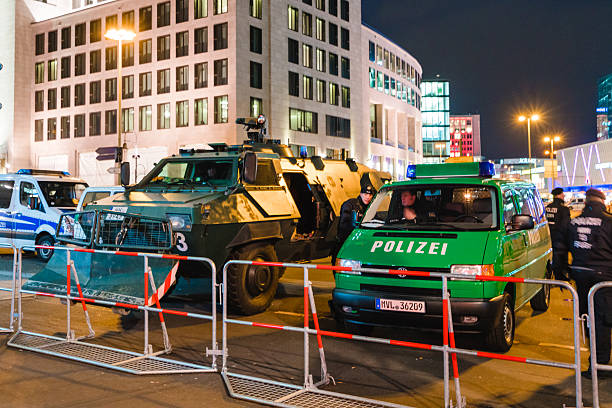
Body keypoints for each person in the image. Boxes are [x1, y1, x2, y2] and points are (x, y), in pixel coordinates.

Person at [567, 188, 612, 378]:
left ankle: (595, 363)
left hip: (581, 276)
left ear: (586, 201)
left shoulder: (573, 221)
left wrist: (563, 272)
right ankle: (600, 367)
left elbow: (562, 246)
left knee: (587, 320)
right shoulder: (608, 221)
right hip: (604, 278)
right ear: (602, 201)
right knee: (603, 321)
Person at [332, 184, 375, 264]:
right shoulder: (350, 204)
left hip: (361, 243)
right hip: (345, 241)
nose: (368, 197)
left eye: (370, 195)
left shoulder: (371, 207)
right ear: (360, 194)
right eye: (365, 194)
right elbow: (344, 223)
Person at [546, 187, 571, 281]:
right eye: (562, 194)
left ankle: (553, 275)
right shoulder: (563, 209)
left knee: (552, 257)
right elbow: (566, 225)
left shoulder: (548, 207)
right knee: (560, 258)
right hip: (560, 238)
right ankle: (560, 278)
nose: (564, 195)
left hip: (549, 237)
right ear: (559, 195)